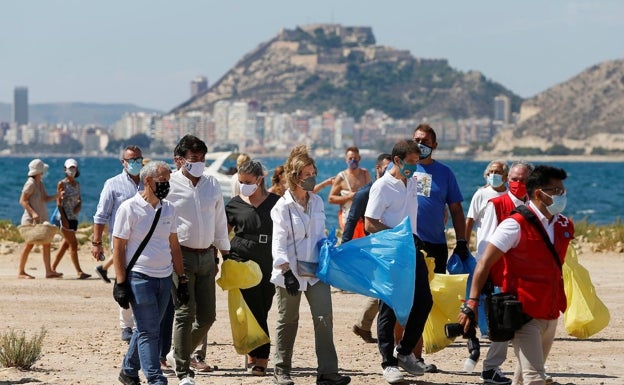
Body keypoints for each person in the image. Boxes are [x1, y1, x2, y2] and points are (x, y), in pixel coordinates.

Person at [459, 165, 574, 385]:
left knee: (523, 376)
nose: (562, 195)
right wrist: (471, 302)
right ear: (540, 193)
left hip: (550, 312)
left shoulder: (562, 225)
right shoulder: (514, 225)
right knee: (535, 378)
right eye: (557, 191)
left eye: (563, 191)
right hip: (523, 313)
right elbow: (484, 262)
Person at [271, 145, 350, 385]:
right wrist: (286, 271)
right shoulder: (281, 207)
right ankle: (281, 370)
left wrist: (328, 247)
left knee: (324, 317)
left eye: (313, 173)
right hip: (290, 273)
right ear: (295, 177)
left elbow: (317, 236)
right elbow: (279, 242)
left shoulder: (316, 202)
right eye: (308, 174)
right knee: (288, 320)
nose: (312, 178)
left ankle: (327, 373)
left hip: (315, 271)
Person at [112, 160, 188, 385]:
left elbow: (174, 246)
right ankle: (156, 379)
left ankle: (128, 371)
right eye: (162, 181)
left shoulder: (169, 209)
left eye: (168, 181)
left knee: (148, 327)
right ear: (148, 181)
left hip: (164, 278)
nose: (167, 185)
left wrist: (182, 279)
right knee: (149, 331)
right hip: (139, 277)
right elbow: (118, 247)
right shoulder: (129, 208)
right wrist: (121, 283)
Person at [364, 140, 433, 384]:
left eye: (417, 162)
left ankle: (404, 352)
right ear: (397, 160)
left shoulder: (414, 181)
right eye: (411, 162)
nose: (415, 167)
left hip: (413, 249)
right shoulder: (382, 187)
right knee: (389, 307)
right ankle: (388, 363)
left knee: (424, 301)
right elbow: (369, 223)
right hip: (391, 251)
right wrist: (398, 236)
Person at [166, 134, 231, 385]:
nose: (200, 163)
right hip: (180, 256)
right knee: (184, 312)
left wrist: (225, 253)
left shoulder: (212, 184)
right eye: (195, 159)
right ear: (180, 160)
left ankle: (176, 354)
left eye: (203, 158)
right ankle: (183, 371)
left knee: (207, 316)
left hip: (207, 256)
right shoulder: (169, 184)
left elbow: (219, 221)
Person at [475, 160, 534, 385]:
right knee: (504, 324)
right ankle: (490, 368)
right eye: (514, 180)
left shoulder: (534, 206)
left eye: (523, 180)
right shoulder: (496, 205)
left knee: (530, 324)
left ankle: (531, 368)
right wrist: (485, 273)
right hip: (503, 275)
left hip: (527, 275)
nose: (518, 184)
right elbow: (486, 244)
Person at [225, 159, 280, 376]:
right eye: (240, 181)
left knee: (263, 306)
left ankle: (253, 347)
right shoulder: (234, 204)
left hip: (268, 257)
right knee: (249, 308)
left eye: (248, 181)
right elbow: (223, 233)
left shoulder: (277, 202)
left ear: (260, 179)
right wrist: (223, 255)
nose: (244, 185)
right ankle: (262, 358)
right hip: (241, 258)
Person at [91, 145, 144, 342]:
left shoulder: (148, 183)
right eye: (131, 160)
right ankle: (126, 326)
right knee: (124, 282)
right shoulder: (112, 184)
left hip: (146, 243)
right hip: (121, 243)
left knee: (143, 283)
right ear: (123, 162)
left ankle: (141, 324)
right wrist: (97, 242)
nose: (135, 163)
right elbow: (101, 215)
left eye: (138, 159)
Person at [342, 153, 392, 343]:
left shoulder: (397, 190)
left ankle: (363, 325)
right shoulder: (366, 192)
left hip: (394, 244)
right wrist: (345, 249)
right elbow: (352, 219)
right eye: (386, 167)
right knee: (387, 285)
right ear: (378, 169)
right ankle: (374, 329)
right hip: (376, 245)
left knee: (386, 286)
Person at [17, 159, 60, 279]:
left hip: (40, 219)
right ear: (39, 172)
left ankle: (48, 271)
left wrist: (57, 195)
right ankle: (21, 272)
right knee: (29, 244)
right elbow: (22, 200)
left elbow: (45, 198)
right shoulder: (30, 183)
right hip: (30, 220)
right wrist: (33, 213)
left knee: (47, 243)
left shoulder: (39, 183)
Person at [51, 158, 90, 279]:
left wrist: (78, 207)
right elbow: (58, 203)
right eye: (70, 168)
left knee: (65, 245)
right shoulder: (62, 183)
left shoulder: (77, 184)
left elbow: (79, 199)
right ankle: (79, 271)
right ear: (65, 169)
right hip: (64, 217)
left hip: (74, 217)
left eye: (74, 168)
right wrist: (64, 219)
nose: (72, 170)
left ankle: (52, 269)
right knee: (73, 243)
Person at [465, 160, 509, 247]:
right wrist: (465, 246)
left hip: (505, 248)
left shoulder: (510, 195)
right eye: (491, 172)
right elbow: (470, 220)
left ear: (505, 176)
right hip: (484, 248)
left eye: (497, 172)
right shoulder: (481, 194)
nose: (493, 175)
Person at [328, 146, 371, 233]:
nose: (353, 160)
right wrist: (348, 197)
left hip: (362, 218)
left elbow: (371, 193)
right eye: (350, 158)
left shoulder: (365, 174)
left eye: (355, 158)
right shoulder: (341, 177)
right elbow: (331, 199)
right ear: (346, 160)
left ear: (359, 158)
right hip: (347, 218)